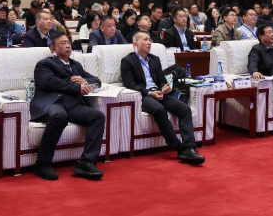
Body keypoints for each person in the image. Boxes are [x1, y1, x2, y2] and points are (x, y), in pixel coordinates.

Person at [29, 33, 106, 181]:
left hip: (73, 105)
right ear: (53, 49)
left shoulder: (76, 65)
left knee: (97, 116)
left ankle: (86, 162)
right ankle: (43, 163)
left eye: (69, 43)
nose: (68, 46)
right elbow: (49, 82)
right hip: (53, 103)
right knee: (60, 116)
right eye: (63, 43)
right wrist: (76, 87)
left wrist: (84, 80)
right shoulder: (44, 64)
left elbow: (97, 81)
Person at [121, 31, 205, 164]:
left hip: (159, 92)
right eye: (145, 40)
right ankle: (178, 147)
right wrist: (150, 93)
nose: (149, 42)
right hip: (143, 95)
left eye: (149, 40)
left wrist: (165, 87)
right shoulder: (127, 61)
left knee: (184, 109)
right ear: (135, 44)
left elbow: (161, 80)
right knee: (159, 109)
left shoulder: (155, 59)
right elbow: (129, 84)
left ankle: (189, 148)